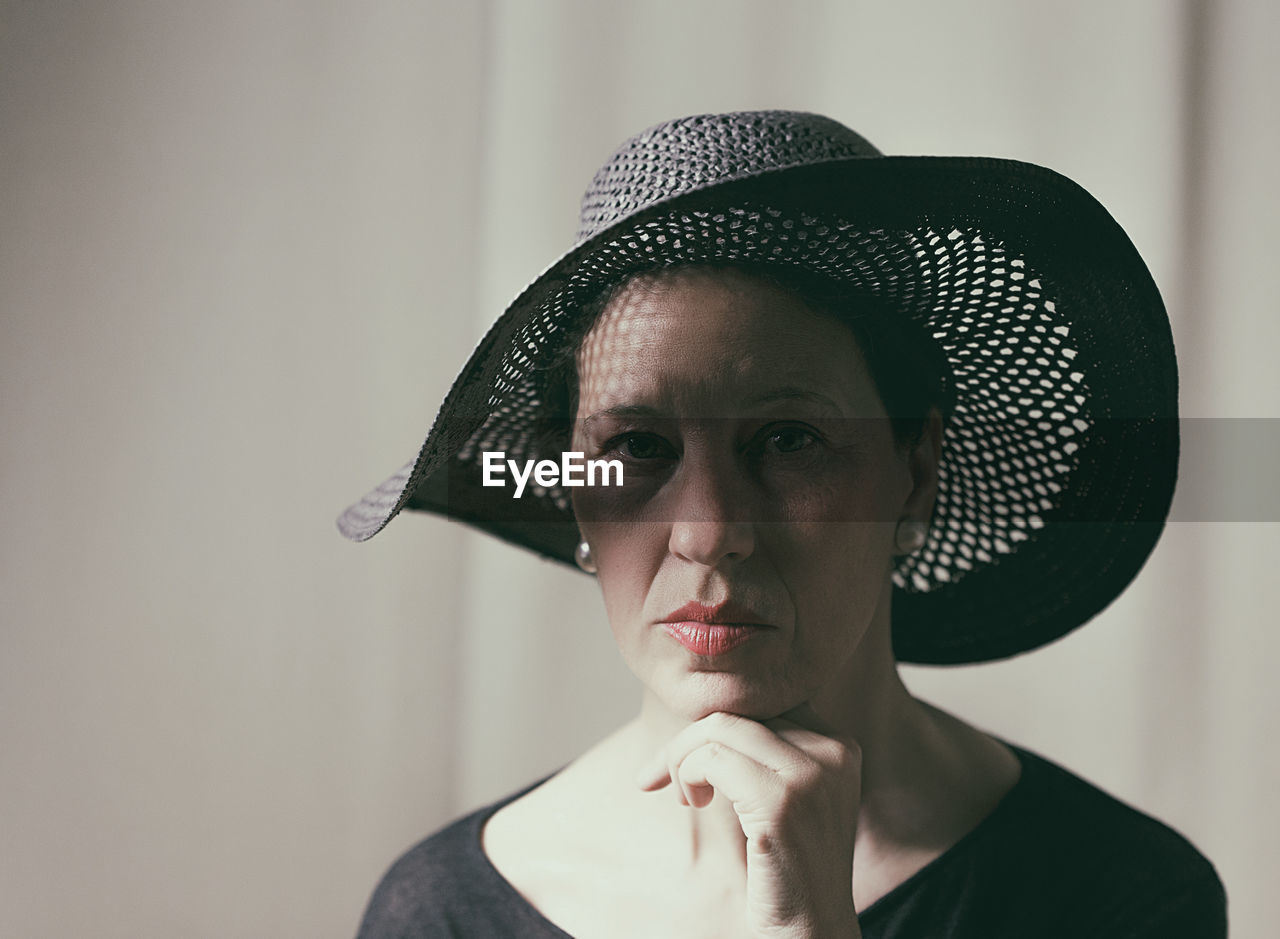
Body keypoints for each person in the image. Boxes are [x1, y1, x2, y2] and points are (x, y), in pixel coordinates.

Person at [339, 111, 1226, 937]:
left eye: (788, 439)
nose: (708, 531)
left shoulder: (1118, 895)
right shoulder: (444, 913)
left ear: (914, 474)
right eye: (640, 445)